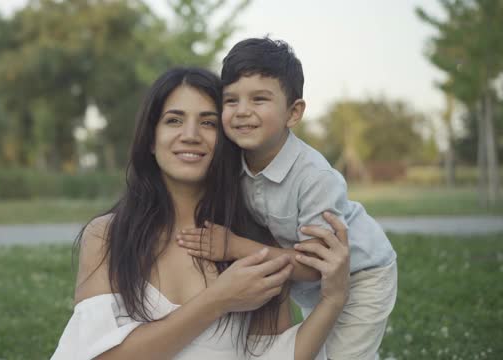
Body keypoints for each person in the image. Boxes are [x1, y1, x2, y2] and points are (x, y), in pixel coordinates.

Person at [50, 67, 350, 360]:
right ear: (151, 139)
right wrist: (219, 300)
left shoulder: (254, 240)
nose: (190, 135)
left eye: (208, 123)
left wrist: (333, 299)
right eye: (174, 120)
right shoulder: (108, 235)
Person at [176, 38, 398, 360]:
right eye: (231, 100)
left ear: (293, 113)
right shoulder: (233, 162)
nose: (242, 112)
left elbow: (316, 268)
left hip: (360, 275)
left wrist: (233, 246)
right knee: (320, 348)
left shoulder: (315, 178)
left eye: (259, 99)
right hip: (310, 282)